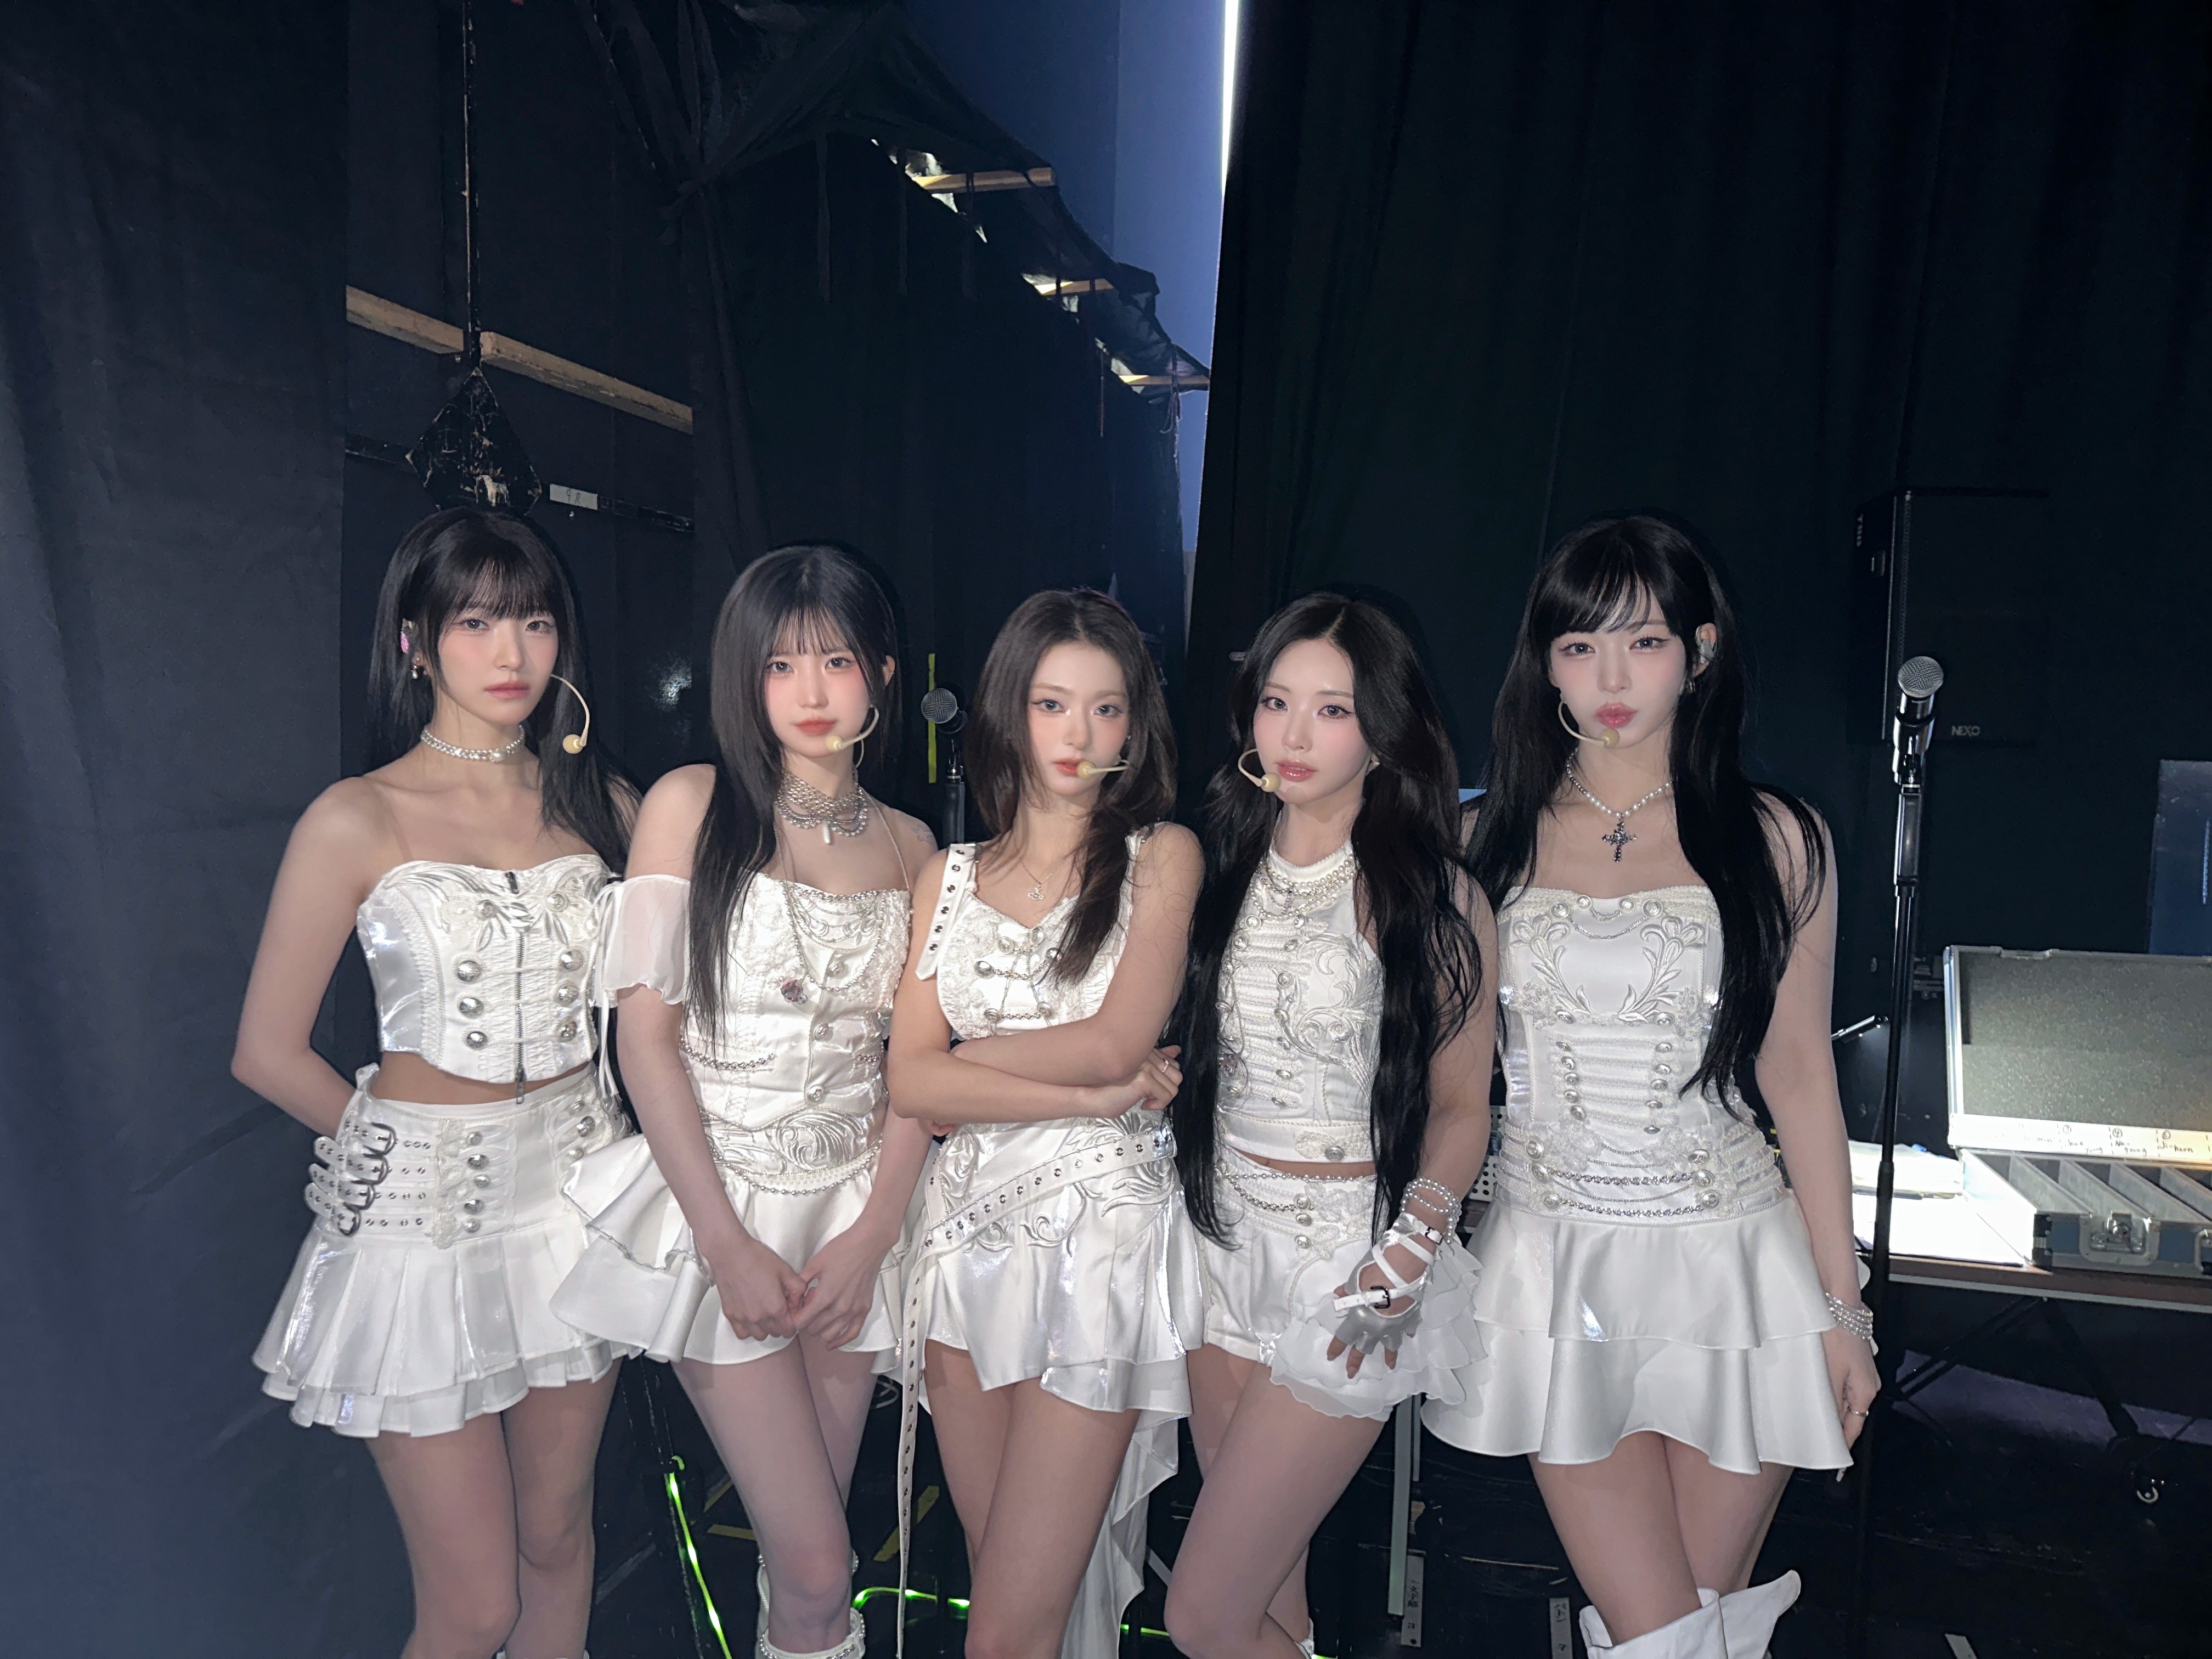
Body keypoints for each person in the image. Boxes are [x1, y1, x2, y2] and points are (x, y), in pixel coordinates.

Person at [1423, 516, 1878, 1659]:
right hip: (1554, 1268)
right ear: (1546, 665)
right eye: (1580, 647)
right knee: (1665, 1633)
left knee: (1689, 1633)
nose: (1612, 681)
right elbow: (1440, 1078)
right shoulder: (1480, 839)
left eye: (1644, 643)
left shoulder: (1777, 839)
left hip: (1740, 1269)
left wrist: (1844, 1311)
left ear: (1701, 651)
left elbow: (1799, 1076)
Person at [238, 507, 636, 1659]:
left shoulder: (602, 804)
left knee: (557, 1540)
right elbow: (266, 1048)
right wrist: (381, 1150)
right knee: (472, 1607)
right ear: (415, 641)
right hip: (424, 1216)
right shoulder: (356, 815)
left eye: (535, 622)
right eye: (475, 623)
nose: (511, 654)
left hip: (575, 1195)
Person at [550, 545, 935, 1659]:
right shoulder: (693, 802)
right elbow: (645, 1038)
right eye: (781, 665)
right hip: (719, 1207)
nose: (812, 691)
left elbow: (915, 1069)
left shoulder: (914, 846)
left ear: (884, 673)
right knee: (817, 1563)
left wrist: (873, 1236)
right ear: (744, 677)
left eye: (837, 660)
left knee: (808, 1572)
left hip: (854, 1216)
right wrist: (723, 1244)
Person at [1160, 593, 1496, 1659]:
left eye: (1333, 709)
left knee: (1203, 1616)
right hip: (1218, 1246)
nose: (1295, 734)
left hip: (1349, 1267)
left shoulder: (1434, 896)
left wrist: (1409, 1248)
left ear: (1383, 731)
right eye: (1277, 702)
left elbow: (1463, 1107)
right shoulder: (1215, 862)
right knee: (1272, 1603)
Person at [884, 589, 1202, 1659]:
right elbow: (911, 1086)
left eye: (1107, 709)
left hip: (1099, 1240)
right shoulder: (947, 875)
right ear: (1009, 711)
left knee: (1010, 1628)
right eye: (1053, 703)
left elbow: (1116, 1043)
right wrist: (1077, 1092)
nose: (1080, 734)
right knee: (1014, 1596)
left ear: (1135, 725)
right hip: (961, 1241)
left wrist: (958, 1068)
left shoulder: (1160, 856)